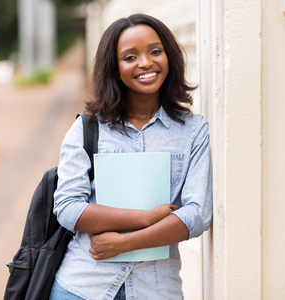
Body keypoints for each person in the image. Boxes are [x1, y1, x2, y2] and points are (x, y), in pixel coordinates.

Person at [51, 13, 213, 300]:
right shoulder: (86, 129)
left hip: (157, 290)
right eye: (130, 57)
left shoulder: (193, 130)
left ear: (169, 57)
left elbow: (197, 214)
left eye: (155, 51)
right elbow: (67, 207)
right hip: (83, 286)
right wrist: (147, 217)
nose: (145, 63)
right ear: (114, 69)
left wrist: (124, 244)